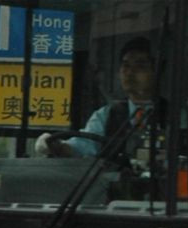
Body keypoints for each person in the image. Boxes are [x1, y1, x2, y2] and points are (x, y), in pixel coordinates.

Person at [37, 37, 163, 169]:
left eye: (140, 66)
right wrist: (58, 146)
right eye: (125, 65)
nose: (130, 72)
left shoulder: (173, 115)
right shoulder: (106, 115)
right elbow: (83, 146)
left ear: (156, 71)